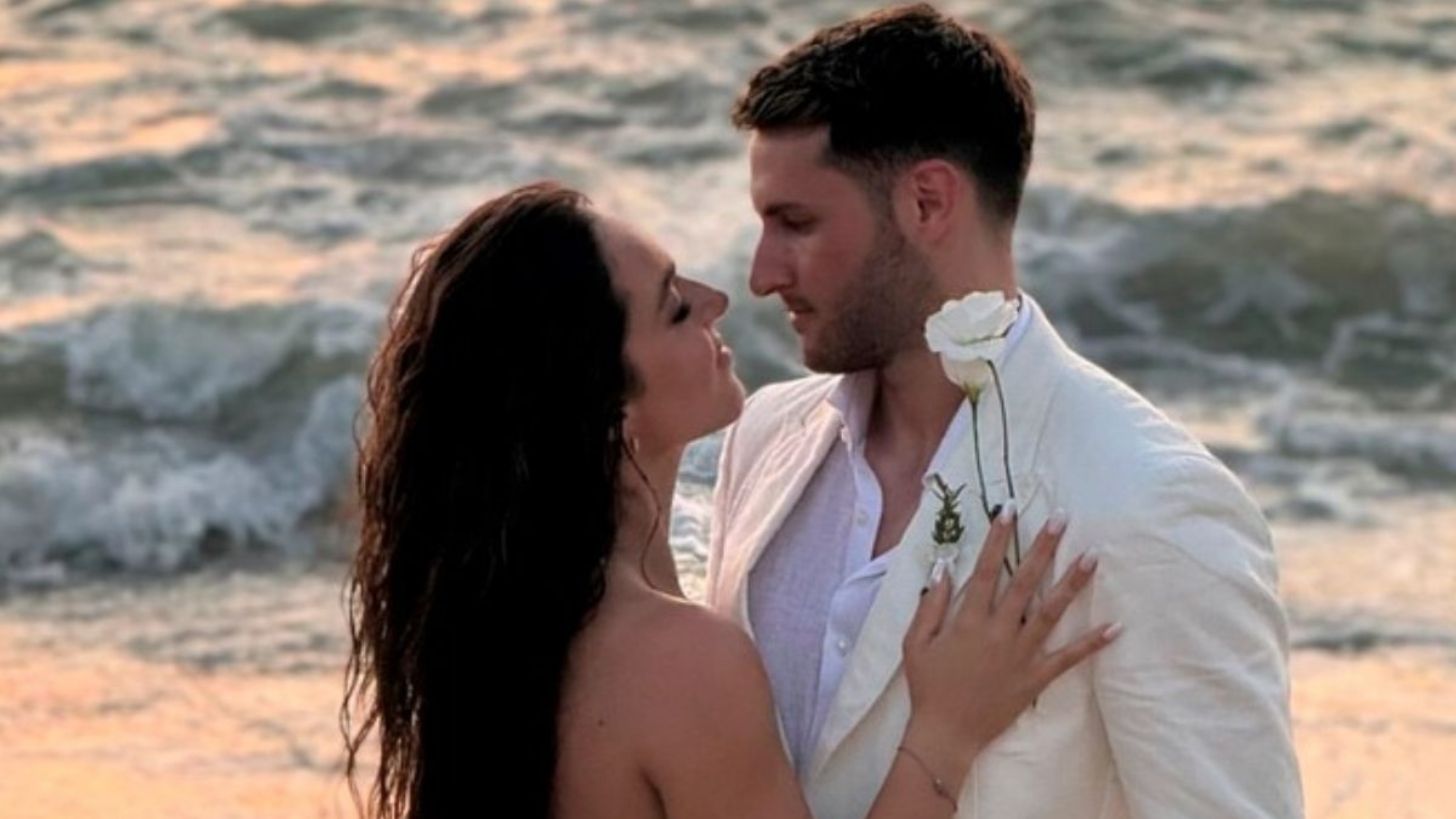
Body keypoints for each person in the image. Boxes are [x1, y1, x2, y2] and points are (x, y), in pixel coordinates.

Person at [342, 182, 1115, 819]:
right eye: (675, 307)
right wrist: (945, 734)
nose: (717, 299)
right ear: (607, 409)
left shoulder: (503, 630)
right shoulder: (678, 660)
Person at [708, 5, 1303, 818]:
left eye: (796, 223)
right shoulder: (762, 437)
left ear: (927, 202)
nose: (762, 273)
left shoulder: (1148, 503)